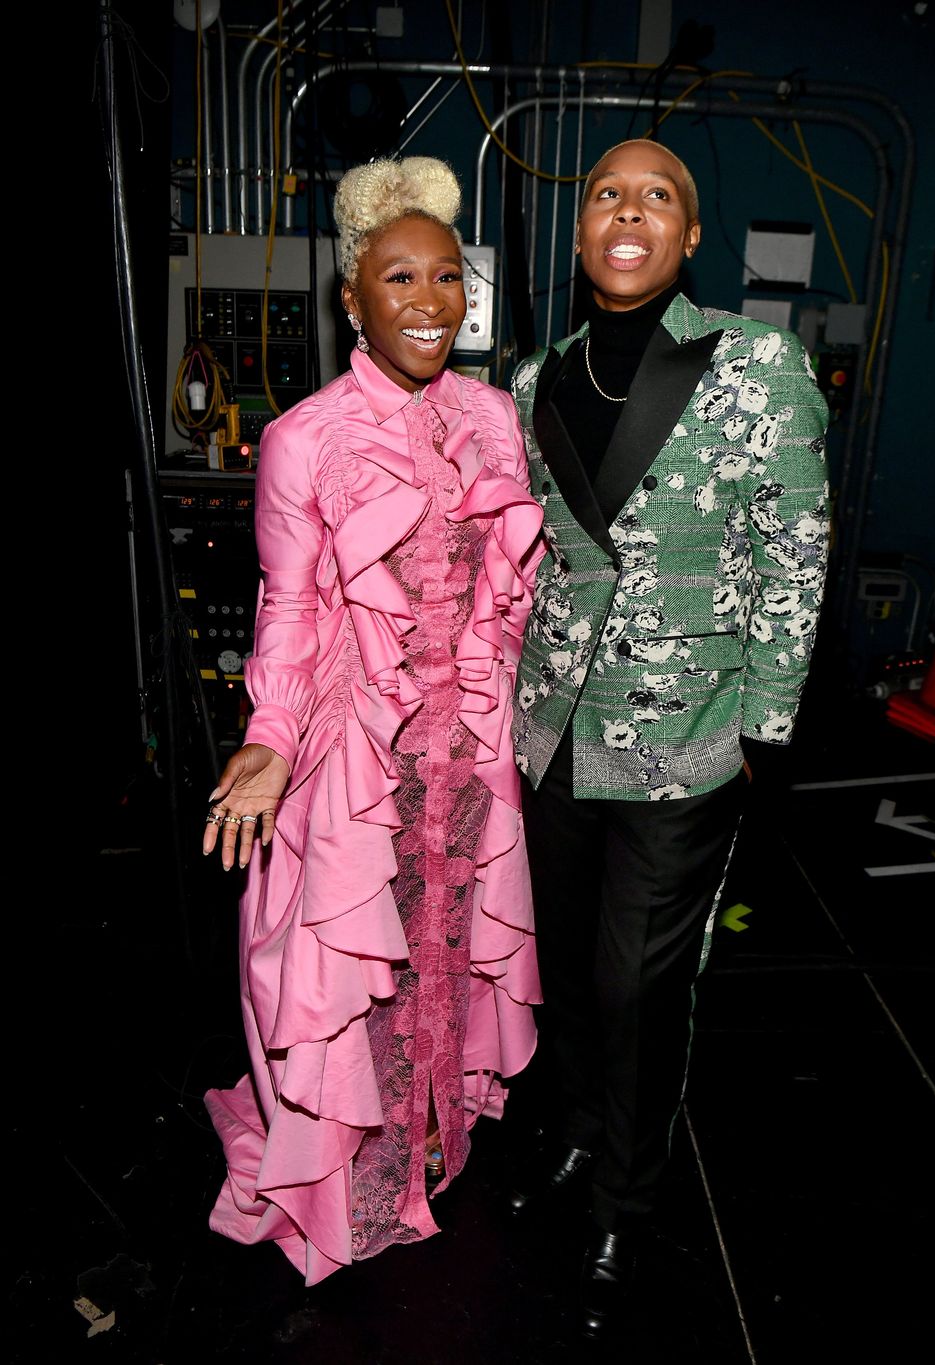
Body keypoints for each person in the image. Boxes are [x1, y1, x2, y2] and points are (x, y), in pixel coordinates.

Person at [507, 138, 830, 1340]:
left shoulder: (755, 365)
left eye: (656, 196)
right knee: (567, 968)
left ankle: (624, 1202)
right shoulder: (536, 374)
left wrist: (763, 724)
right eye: (603, 193)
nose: (626, 212)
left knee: (636, 982)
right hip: (554, 733)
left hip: (684, 731)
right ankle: (583, 1138)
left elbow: (796, 548)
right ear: (580, 230)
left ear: (689, 238)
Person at [201, 155, 545, 1285]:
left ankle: (428, 1137)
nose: (428, 302)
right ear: (352, 298)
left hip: (462, 750)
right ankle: (353, 1177)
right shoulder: (304, 437)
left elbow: (509, 593)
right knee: (352, 973)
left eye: (446, 278)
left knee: (445, 952)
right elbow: (292, 606)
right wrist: (268, 738)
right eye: (399, 279)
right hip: (352, 752)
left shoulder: (494, 417)